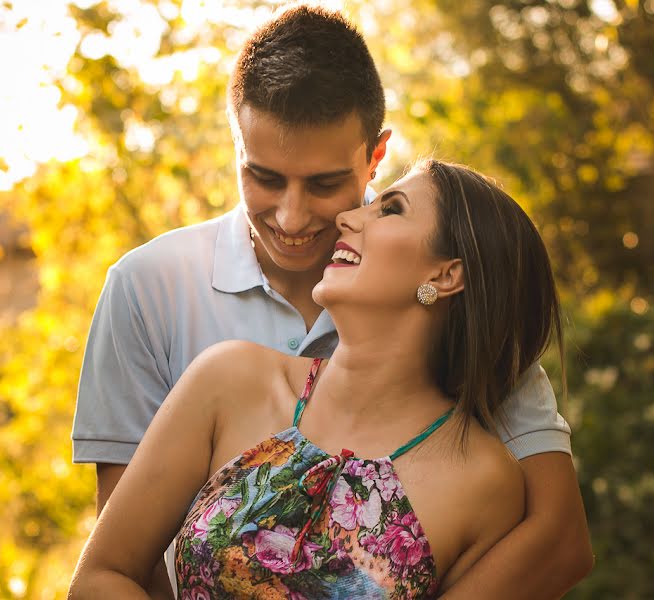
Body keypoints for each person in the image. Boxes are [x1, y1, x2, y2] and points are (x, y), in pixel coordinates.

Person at [71, 5, 593, 599]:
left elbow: (559, 536)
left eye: (323, 184)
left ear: (375, 156)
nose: (294, 218)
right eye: (264, 177)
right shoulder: (153, 294)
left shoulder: (476, 383)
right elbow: (119, 561)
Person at [71, 159, 561, 598]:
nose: (348, 217)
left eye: (390, 209)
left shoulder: (485, 484)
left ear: (447, 275)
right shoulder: (228, 380)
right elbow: (101, 576)